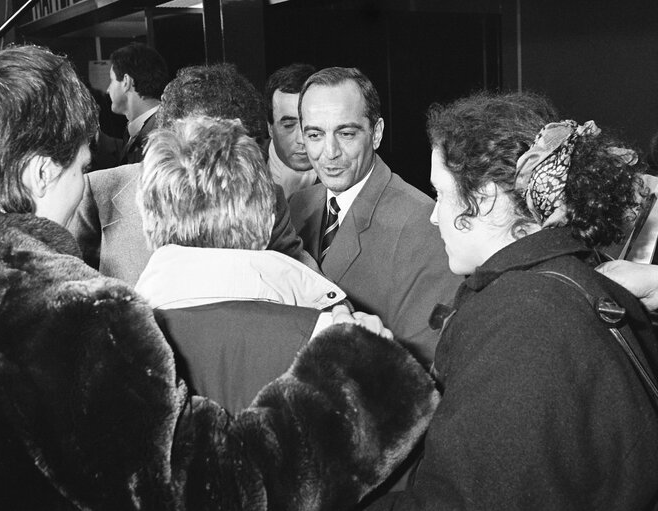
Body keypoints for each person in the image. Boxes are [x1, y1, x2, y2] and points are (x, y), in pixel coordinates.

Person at [0, 44, 442, 511]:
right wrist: (358, 377)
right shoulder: (59, 318)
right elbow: (208, 488)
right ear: (40, 173)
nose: (83, 184)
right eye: (78, 167)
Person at [369, 91, 658, 510]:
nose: (433, 215)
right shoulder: (555, 281)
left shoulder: (521, 317)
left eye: (440, 193)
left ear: (483, 197)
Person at [135, 115, 392, 413]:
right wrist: (384, 368)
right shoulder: (336, 342)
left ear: (147, 217)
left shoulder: (107, 344)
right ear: (267, 217)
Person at [69, 62, 318, 285]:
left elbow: (302, 272)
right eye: (208, 150)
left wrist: (337, 309)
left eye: (235, 150)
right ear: (169, 137)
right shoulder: (100, 191)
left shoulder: (266, 195)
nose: (224, 164)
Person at [289, 67, 461, 364]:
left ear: (376, 133)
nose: (330, 152)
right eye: (315, 134)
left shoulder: (424, 224)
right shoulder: (296, 206)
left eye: (346, 133)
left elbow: (424, 364)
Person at [107, 42, 168, 165]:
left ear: (126, 82)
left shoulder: (160, 138)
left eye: (111, 80)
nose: (108, 89)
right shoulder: (136, 131)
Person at [265, 63, 318, 199]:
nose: (302, 139)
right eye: (289, 125)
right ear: (270, 128)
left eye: (311, 125)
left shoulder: (350, 175)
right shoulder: (242, 169)